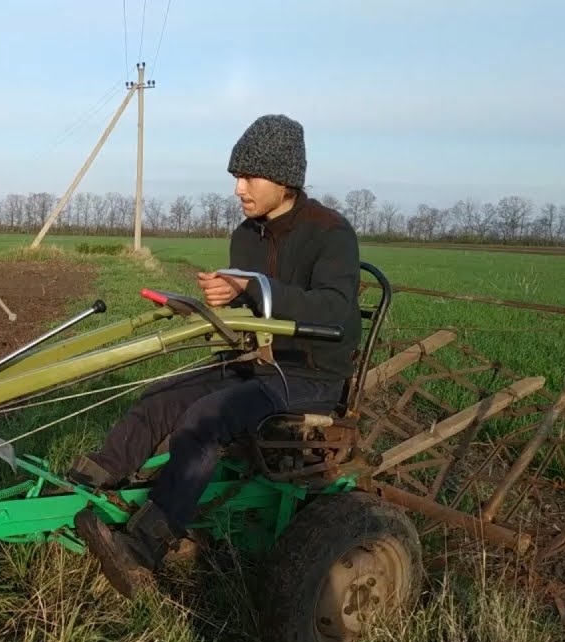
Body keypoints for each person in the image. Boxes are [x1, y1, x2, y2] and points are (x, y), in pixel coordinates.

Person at [71, 113, 364, 598]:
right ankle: (90, 479)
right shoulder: (246, 234)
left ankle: (145, 543)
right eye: (235, 177)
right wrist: (223, 297)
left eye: (248, 176)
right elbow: (246, 303)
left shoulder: (331, 234)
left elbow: (335, 312)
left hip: (308, 373)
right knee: (160, 398)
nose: (238, 189)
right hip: (251, 361)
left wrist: (256, 287)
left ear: (285, 176)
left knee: (204, 419)